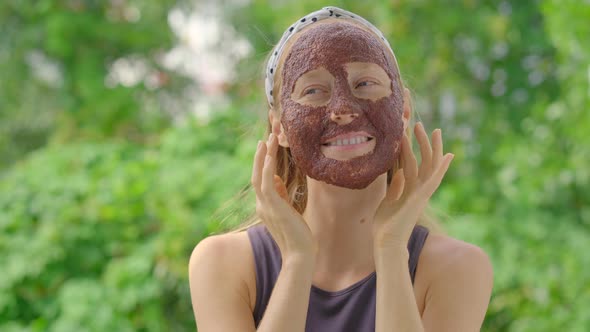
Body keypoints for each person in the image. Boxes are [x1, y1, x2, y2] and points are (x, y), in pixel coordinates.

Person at [189, 6, 493, 332]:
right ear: (279, 126)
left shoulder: (456, 268)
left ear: (402, 110)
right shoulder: (224, 264)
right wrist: (296, 261)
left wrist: (391, 251)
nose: (343, 110)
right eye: (313, 91)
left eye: (365, 83)